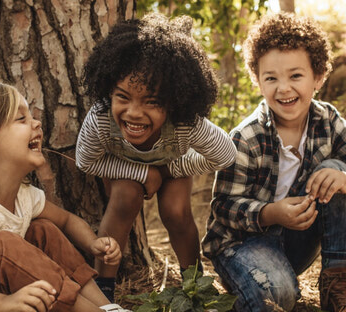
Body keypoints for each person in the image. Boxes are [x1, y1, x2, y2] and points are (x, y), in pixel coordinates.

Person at [202, 12, 346, 312]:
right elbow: (224, 207)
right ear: (258, 81)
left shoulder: (326, 119)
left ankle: (336, 278)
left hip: (297, 241)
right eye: (271, 78)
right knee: (278, 298)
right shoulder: (246, 137)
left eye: (296, 76)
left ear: (318, 77)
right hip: (243, 245)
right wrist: (271, 213)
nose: (283, 88)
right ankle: (246, 291)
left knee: (337, 171)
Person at [75, 13, 237, 301]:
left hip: (172, 165)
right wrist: (142, 173)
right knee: (125, 197)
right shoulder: (101, 118)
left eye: (152, 102)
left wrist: (173, 167)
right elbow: (86, 161)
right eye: (123, 97)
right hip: (123, 168)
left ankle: (194, 284)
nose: (134, 112)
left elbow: (224, 154)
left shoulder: (186, 124)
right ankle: (103, 290)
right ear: (109, 91)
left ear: (174, 103)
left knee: (176, 211)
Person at [0, 82, 131, 312]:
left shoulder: (24, 197)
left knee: (43, 229)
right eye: (21, 119)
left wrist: (92, 242)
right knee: (4, 245)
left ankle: (108, 308)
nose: (36, 123)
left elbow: (66, 221)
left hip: (8, 299)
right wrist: (3, 304)